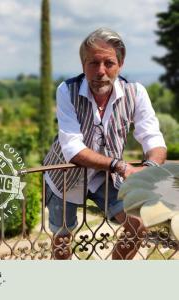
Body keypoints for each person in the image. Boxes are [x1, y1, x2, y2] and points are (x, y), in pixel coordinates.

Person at [43, 28, 167, 260]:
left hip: (105, 178)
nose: (100, 71)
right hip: (63, 177)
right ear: (83, 65)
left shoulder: (136, 92)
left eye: (108, 63)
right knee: (62, 241)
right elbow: (72, 149)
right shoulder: (66, 90)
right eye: (93, 63)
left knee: (137, 225)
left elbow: (153, 138)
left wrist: (149, 170)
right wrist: (121, 166)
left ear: (120, 64)